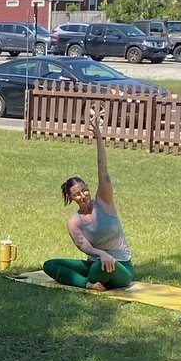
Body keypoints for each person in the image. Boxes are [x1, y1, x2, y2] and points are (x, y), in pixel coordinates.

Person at [43, 109, 135, 291]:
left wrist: (99, 137)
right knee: (49, 265)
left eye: (84, 190)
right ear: (71, 198)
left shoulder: (104, 203)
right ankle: (88, 283)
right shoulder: (74, 222)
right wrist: (100, 253)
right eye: (77, 194)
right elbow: (84, 246)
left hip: (120, 266)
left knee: (100, 267)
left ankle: (88, 280)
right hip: (96, 262)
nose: (83, 196)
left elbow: (103, 170)